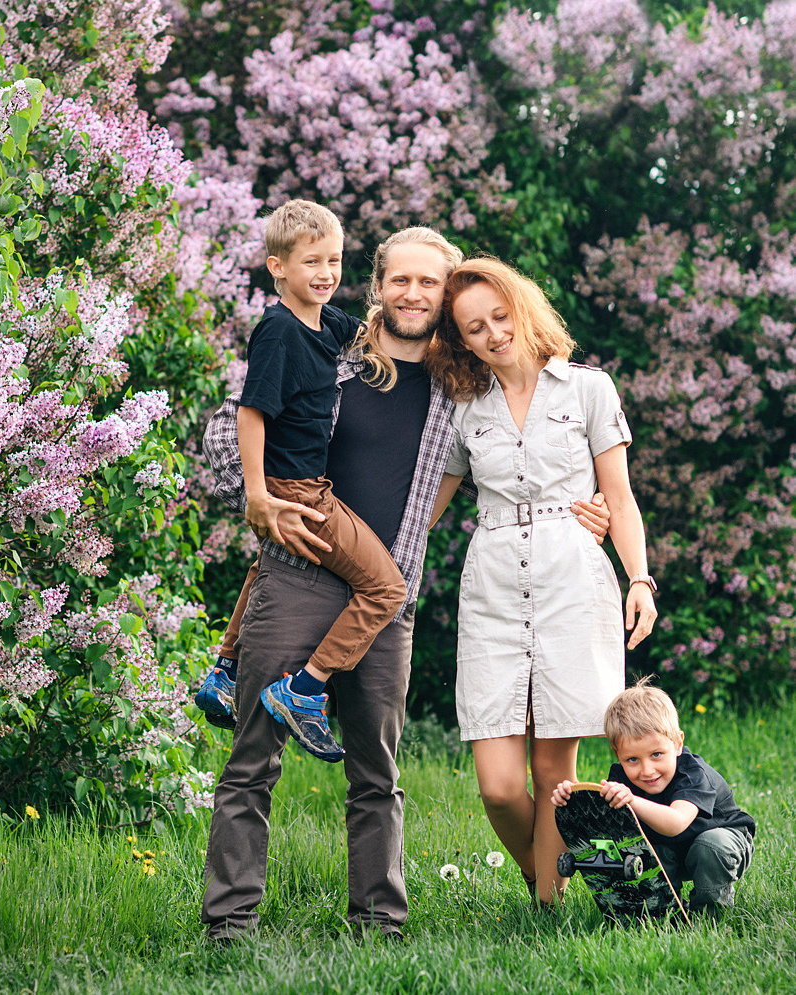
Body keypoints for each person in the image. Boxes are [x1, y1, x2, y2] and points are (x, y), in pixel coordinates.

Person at [200, 230, 612, 942]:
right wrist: (258, 494)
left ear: (445, 296)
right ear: (379, 285)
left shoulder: (466, 389)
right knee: (252, 758)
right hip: (296, 574)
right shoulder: (330, 356)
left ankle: (379, 923)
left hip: (386, 595)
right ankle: (229, 925)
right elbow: (242, 423)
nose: (413, 294)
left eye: (430, 283)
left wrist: (587, 505)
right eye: (401, 280)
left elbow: (530, 448)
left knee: (376, 774)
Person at [427, 254, 658, 907]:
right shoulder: (462, 406)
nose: (493, 333)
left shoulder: (589, 388)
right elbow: (427, 507)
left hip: (571, 577)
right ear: (461, 339)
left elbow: (620, 497)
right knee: (499, 783)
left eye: (500, 316)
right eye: (474, 327)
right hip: (493, 582)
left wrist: (640, 579)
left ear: (523, 308)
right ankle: (548, 869)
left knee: (555, 769)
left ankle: (547, 909)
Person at [194, 199, 407, 762]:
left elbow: (369, 331)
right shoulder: (279, 332)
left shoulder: (324, 320)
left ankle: (225, 671)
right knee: (387, 588)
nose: (326, 274)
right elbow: (250, 412)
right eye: (311, 262)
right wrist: (259, 494)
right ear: (277, 267)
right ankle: (305, 690)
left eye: (334, 261)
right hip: (296, 489)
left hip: (307, 482)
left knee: (264, 565)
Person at [552, 677, 755, 916]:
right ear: (618, 755)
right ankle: (666, 913)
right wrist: (573, 799)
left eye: (657, 754)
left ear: (678, 743)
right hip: (667, 849)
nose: (647, 770)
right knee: (644, 850)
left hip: (722, 846)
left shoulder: (694, 775)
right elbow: (609, 829)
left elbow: (675, 823)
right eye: (632, 760)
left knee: (709, 846)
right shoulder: (621, 777)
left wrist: (631, 800)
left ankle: (709, 915)